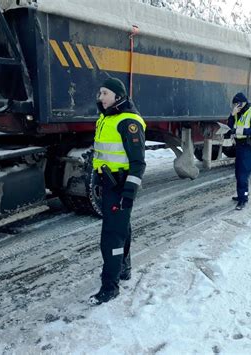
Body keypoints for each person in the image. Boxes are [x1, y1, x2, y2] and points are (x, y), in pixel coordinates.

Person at [89, 77, 146, 305]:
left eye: (104, 93)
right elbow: (102, 155)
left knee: (111, 235)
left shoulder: (128, 122)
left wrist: (129, 193)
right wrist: (96, 180)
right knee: (122, 228)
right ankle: (123, 268)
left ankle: (109, 286)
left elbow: (138, 163)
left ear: (117, 96)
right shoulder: (106, 119)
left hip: (121, 185)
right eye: (100, 93)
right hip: (109, 184)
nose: (100, 97)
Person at [225, 92, 251, 210]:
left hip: (248, 146)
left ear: (243, 103)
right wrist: (232, 114)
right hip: (240, 146)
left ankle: (243, 199)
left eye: (237, 104)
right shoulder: (238, 113)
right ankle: (241, 195)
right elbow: (230, 126)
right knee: (238, 172)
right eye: (234, 105)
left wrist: (237, 131)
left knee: (243, 175)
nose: (235, 106)